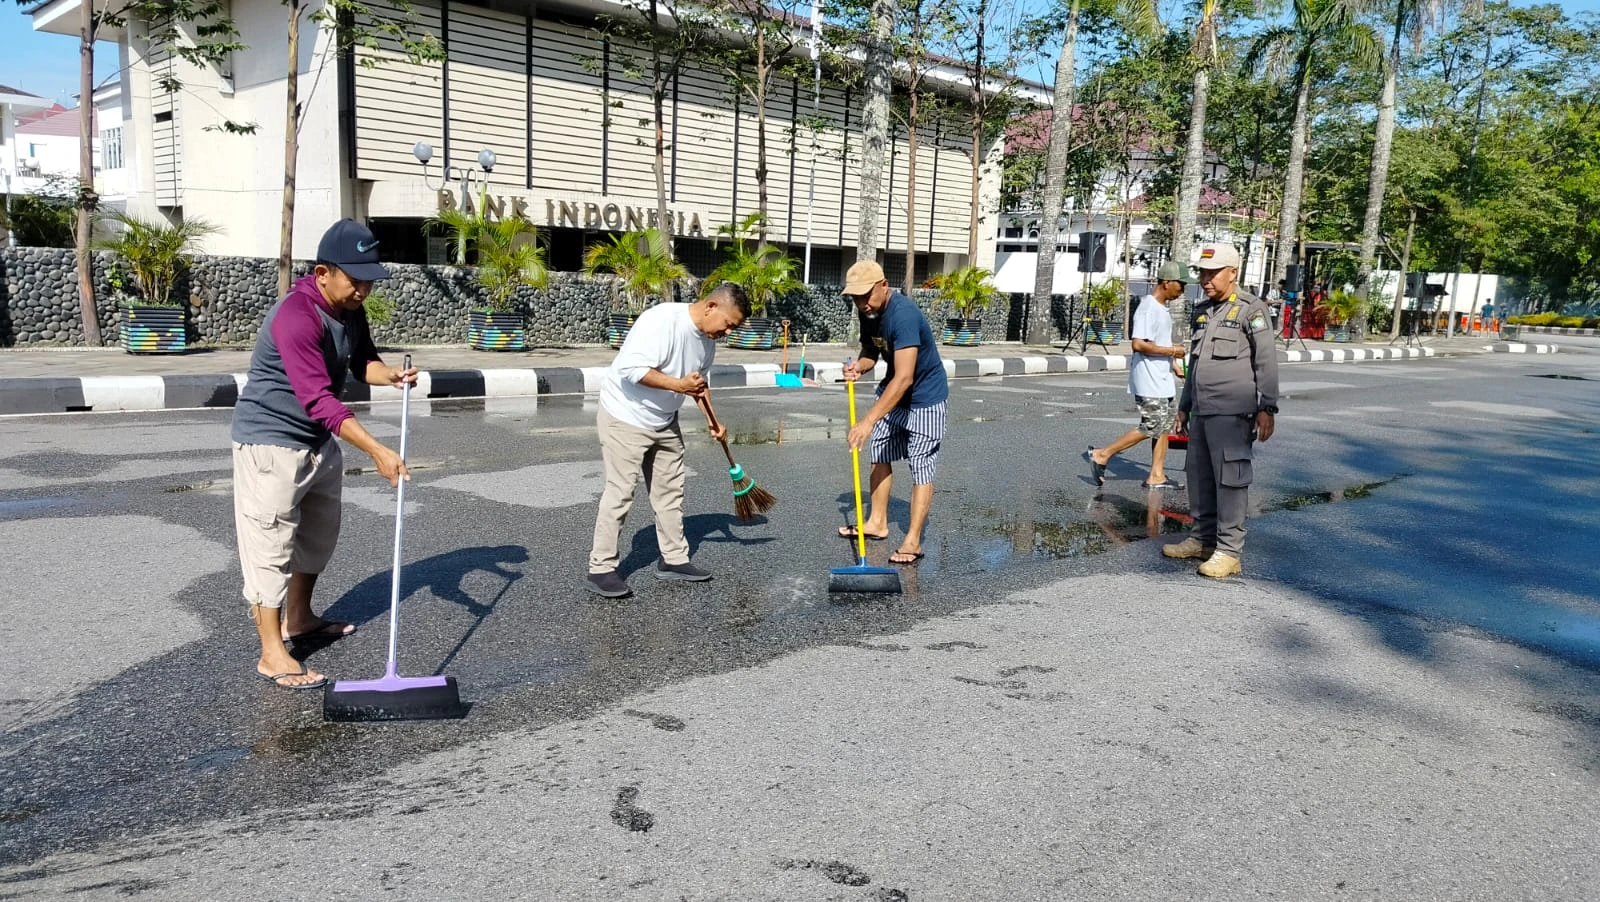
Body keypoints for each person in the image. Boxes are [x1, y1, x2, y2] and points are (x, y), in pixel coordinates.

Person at [231, 218, 416, 690]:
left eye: (369, 281)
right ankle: (272, 652)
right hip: (271, 442)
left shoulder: (349, 309)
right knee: (271, 545)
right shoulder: (296, 316)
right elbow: (319, 399)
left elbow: (362, 362)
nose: (364, 290)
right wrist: (377, 450)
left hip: (316, 441)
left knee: (317, 535)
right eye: (356, 280)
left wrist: (390, 375)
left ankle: (299, 618)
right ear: (322, 273)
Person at [584, 283, 750, 598]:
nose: (727, 332)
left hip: (664, 419)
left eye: (734, 328)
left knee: (671, 492)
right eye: (728, 324)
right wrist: (678, 385)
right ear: (711, 306)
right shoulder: (661, 321)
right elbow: (632, 369)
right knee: (620, 492)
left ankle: (674, 559)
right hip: (625, 415)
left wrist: (714, 420)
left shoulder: (707, 342)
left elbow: (698, 384)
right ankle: (601, 568)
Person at [1163, 243, 1279, 579]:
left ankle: (1229, 551)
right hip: (1201, 410)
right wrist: (1184, 406)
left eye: (1213, 273)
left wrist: (1267, 406)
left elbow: (1266, 360)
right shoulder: (1203, 311)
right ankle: (1202, 538)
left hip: (1232, 411)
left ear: (1233, 273)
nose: (1206, 279)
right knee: (1198, 476)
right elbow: (1195, 364)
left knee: (1230, 480)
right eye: (1202, 273)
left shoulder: (1250, 310)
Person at [836, 260, 949, 566]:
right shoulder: (869, 312)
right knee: (880, 452)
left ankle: (913, 540)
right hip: (893, 394)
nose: (861, 303)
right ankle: (877, 522)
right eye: (855, 297)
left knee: (921, 465)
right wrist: (858, 367)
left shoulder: (904, 315)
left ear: (884, 285)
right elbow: (871, 352)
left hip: (925, 398)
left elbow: (904, 378)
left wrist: (867, 421)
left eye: (865, 295)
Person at [1085, 261, 1189, 490]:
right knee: (1152, 425)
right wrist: (1173, 351)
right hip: (1149, 379)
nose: (1183, 290)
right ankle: (1103, 454)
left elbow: (1157, 342)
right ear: (1166, 282)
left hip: (1162, 378)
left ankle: (1157, 475)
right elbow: (1138, 344)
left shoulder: (1162, 309)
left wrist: (1174, 364)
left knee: (1164, 426)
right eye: (1181, 285)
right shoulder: (1148, 308)